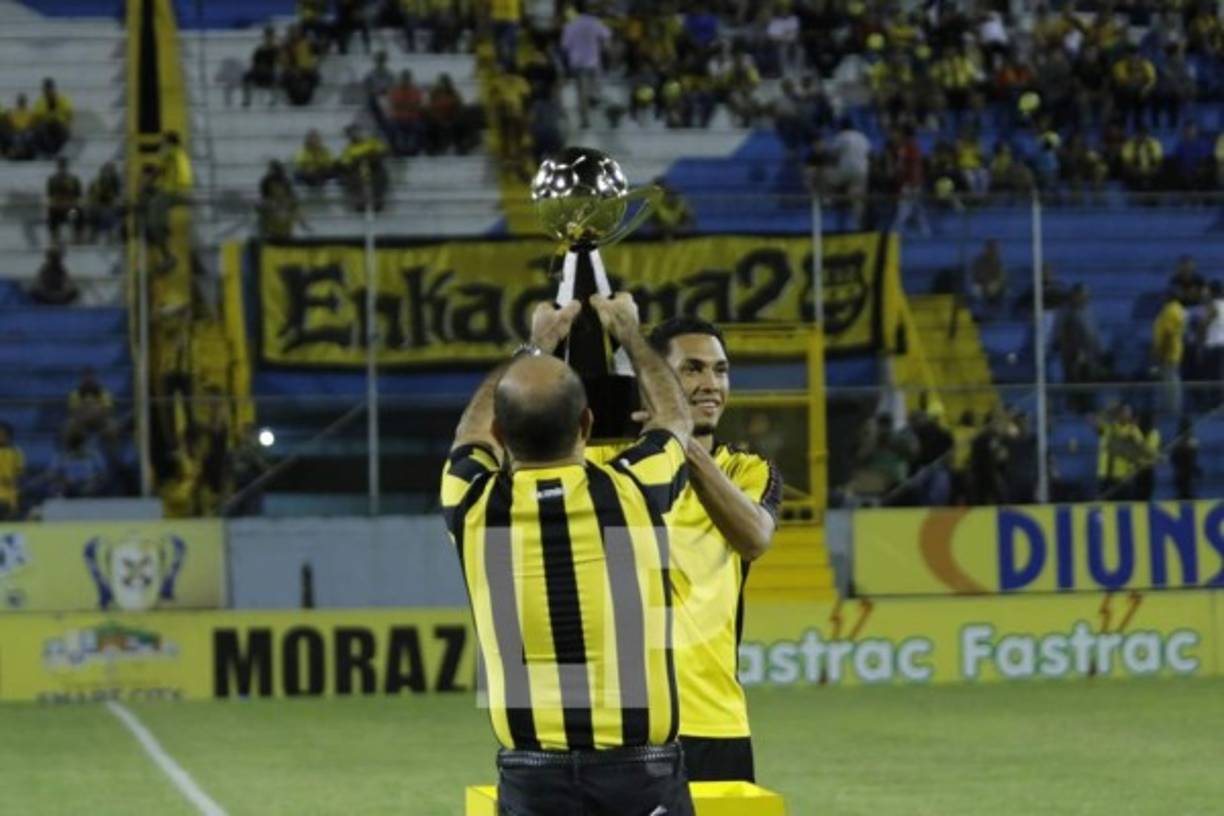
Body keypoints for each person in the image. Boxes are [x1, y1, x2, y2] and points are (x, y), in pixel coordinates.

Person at [440, 294, 696, 815]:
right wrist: (630, 335)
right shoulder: (635, 490)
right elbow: (674, 419)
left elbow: (468, 431)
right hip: (640, 777)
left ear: (501, 434)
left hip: (533, 777)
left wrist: (537, 344)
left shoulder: (471, 504)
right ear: (585, 425)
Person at [594, 316, 783, 782]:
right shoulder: (604, 463)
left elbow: (755, 538)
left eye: (720, 370)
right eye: (692, 369)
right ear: (652, 380)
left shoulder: (746, 472)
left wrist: (681, 442)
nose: (711, 384)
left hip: (714, 724)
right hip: (622, 726)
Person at [560, 2, 611, 129]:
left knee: (581, 91)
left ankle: (585, 119)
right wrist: (605, 49)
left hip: (577, 62)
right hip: (593, 62)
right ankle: (594, 97)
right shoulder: (595, 22)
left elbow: (565, 46)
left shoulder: (570, 24)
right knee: (593, 86)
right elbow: (607, 36)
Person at [337, 125, 389, 211]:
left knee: (380, 173)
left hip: (374, 168)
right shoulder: (348, 149)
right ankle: (360, 199)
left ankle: (377, 198)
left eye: (355, 133)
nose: (354, 136)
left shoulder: (371, 142)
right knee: (350, 175)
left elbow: (383, 151)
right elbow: (345, 162)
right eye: (351, 134)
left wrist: (371, 156)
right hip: (358, 171)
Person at [1152, 289, 1185, 419]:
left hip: (1168, 353)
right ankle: (1171, 408)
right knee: (1170, 380)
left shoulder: (1171, 311)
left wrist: (1161, 353)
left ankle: (1171, 410)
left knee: (1170, 382)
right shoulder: (1177, 309)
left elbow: (1168, 334)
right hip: (1172, 352)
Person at [46, 157, 84, 244]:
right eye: (60, 166)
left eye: (63, 166)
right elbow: (51, 196)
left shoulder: (74, 180)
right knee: (51, 211)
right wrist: (58, 204)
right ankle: (54, 237)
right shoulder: (52, 180)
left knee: (77, 212)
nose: (61, 169)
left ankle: (77, 236)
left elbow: (78, 197)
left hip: (70, 209)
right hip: (58, 209)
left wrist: (70, 203)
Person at [32, 78, 72, 156]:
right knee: (41, 130)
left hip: (60, 127)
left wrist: (60, 121)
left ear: (53, 88)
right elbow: (37, 118)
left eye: (49, 88)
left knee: (57, 126)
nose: (47, 91)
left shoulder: (62, 99)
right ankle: (49, 152)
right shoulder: (40, 101)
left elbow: (68, 115)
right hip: (46, 127)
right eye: (46, 89)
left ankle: (55, 151)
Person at [242, 26, 281, 106]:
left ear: (273, 37)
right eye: (267, 36)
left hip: (270, 72)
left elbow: (279, 62)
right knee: (246, 76)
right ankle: (247, 99)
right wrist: (258, 68)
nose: (268, 38)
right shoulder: (259, 49)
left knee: (275, 76)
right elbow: (254, 62)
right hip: (258, 72)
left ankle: (273, 99)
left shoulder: (277, 49)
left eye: (270, 36)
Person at [85, 162, 123, 243]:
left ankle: (112, 236)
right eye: (106, 172)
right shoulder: (95, 184)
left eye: (110, 172)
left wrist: (113, 203)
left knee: (112, 213)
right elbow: (91, 198)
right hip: (98, 207)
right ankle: (93, 237)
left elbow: (117, 198)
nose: (108, 174)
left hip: (110, 207)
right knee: (93, 213)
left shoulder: (116, 183)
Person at [1170, 417, 1200, 500]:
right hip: (1181, 473)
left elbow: (1194, 458)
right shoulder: (1177, 442)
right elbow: (1173, 458)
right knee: (1183, 488)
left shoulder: (1193, 441)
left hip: (1189, 474)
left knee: (1189, 488)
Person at [0, 423, 25, 520]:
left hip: (11, 496)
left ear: (8, 436)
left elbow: (21, 473)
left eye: (3, 435)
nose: (1, 437)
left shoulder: (16, 452)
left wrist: (14, 480)